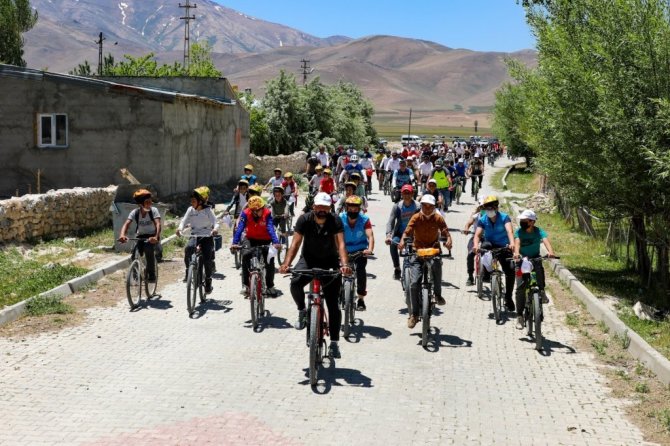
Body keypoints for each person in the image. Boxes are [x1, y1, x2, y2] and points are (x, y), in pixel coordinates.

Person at [279, 192, 351, 359]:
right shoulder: (304, 220)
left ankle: (334, 343)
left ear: (330, 208)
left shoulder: (335, 220)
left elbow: (341, 244)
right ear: (313, 207)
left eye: (325, 207)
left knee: (333, 305)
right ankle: (302, 311)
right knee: (295, 283)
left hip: (330, 262)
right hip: (308, 260)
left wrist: (345, 265)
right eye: (319, 207)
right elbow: (295, 243)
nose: (322, 210)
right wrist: (286, 264)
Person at [398, 194, 453, 328]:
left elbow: (446, 232)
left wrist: (449, 240)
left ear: (434, 207)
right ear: (421, 206)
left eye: (430, 207)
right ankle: (414, 315)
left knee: (437, 267)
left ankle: (438, 295)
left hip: (433, 251)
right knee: (414, 283)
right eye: (425, 206)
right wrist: (402, 241)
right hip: (418, 252)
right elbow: (407, 232)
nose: (427, 209)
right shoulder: (416, 217)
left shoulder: (438, 218)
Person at [513, 209, 556, 329]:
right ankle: (519, 316)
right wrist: (516, 253)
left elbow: (546, 241)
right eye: (521, 220)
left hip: (535, 258)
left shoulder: (538, 231)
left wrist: (551, 252)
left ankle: (541, 291)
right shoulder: (519, 232)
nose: (522, 222)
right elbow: (517, 243)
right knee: (520, 288)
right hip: (521, 262)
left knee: (539, 271)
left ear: (532, 222)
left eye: (525, 220)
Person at [232, 196, 281, 297]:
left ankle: (270, 286)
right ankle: (246, 285)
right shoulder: (246, 213)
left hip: (266, 239)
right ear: (253, 211)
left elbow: (270, 227)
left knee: (269, 260)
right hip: (250, 238)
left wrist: (275, 242)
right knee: (245, 255)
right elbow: (240, 228)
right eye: (260, 209)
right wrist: (234, 242)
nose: (263, 209)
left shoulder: (267, 213)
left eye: (263, 207)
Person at [473, 195, 516, 311]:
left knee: (510, 270)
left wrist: (512, 243)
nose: (489, 209)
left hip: (504, 246)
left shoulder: (504, 217)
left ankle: (508, 297)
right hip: (490, 245)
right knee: (484, 247)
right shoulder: (483, 220)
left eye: (491, 207)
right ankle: (487, 273)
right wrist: (476, 245)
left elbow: (509, 231)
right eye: (487, 207)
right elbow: (477, 235)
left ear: (496, 207)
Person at [177, 187, 219, 294]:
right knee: (188, 248)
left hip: (207, 236)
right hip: (195, 235)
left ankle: (208, 280)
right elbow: (183, 221)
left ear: (200, 201)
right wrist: (180, 228)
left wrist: (215, 229)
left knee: (207, 259)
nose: (191, 203)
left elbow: (216, 222)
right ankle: (188, 270)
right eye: (191, 201)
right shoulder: (190, 210)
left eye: (193, 201)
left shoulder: (208, 210)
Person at [118, 188, 161, 283]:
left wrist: (156, 237)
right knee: (134, 253)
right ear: (140, 204)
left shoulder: (154, 211)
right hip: (140, 236)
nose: (150, 204)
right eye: (147, 202)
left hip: (152, 236)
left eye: (150, 201)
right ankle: (136, 274)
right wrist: (122, 235)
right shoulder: (135, 212)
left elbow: (158, 224)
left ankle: (152, 274)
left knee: (148, 248)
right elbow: (126, 224)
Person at [339, 195, 375, 310]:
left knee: (360, 271)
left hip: (360, 251)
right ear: (346, 208)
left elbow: (370, 236)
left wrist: (370, 249)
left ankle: (360, 299)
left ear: (359, 209)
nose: (353, 211)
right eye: (350, 208)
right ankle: (337, 293)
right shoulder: (340, 218)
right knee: (336, 271)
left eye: (355, 209)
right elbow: (334, 234)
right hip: (343, 250)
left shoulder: (364, 219)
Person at [385, 184, 419, 280]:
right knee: (393, 244)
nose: (407, 195)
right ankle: (397, 268)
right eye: (404, 193)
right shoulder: (397, 207)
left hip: (415, 235)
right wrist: (388, 235)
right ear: (401, 194)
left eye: (409, 193)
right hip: (400, 234)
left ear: (412, 194)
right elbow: (390, 221)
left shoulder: (418, 206)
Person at [463, 198, 485, 286]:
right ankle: (470, 276)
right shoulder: (476, 216)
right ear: (479, 207)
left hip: (487, 238)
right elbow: (468, 223)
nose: (483, 208)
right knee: (470, 255)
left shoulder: (491, 217)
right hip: (475, 237)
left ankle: (489, 273)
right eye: (482, 207)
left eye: (485, 207)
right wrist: (466, 229)